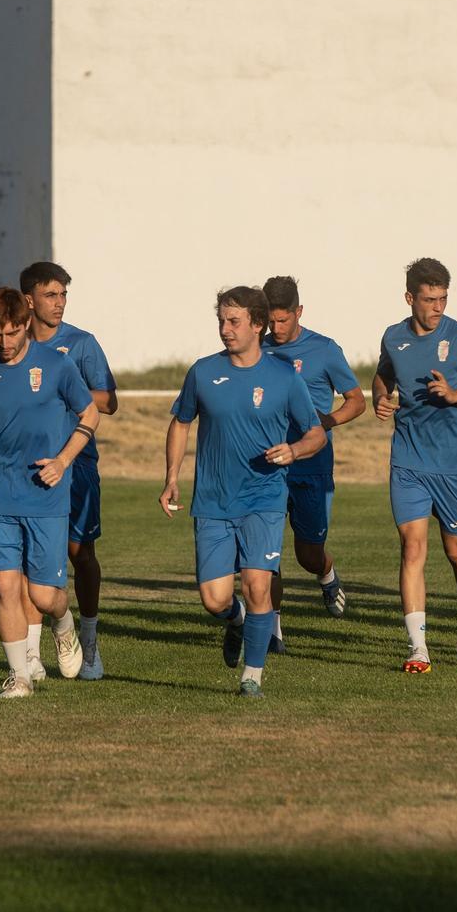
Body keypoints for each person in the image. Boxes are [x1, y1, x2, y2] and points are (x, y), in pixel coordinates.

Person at [160, 286, 324, 697]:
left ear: (257, 324)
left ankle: (252, 677)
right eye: (221, 321)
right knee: (215, 600)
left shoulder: (284, 377)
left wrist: (295, 450)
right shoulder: (202, 372)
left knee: (257, 586)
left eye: (233, 322)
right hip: (213, 501)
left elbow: (316, 434)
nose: (225, 329)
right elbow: (181, 423)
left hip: (264, 499)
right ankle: (234, 623)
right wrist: (171, 477)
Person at [0, 287, 99, 698]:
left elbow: (89, 413)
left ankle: (63, 621)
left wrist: (63, 460)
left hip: (45, 490)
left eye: (12, 333)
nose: (4, 343)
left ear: (26, 326)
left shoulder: (57, 365)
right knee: (4, 586)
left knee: (41, 593)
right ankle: (19, 676)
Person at [375, 258, 457, 673]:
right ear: (410, 298)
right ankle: (418, 648)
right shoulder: (393, 337)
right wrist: (382, 396)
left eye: (443, 299)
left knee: (456, 551)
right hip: (408, 461)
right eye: (429, 299)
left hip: (453, 466)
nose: (437, 307)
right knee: (412, 548)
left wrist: (455, 395)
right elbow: (384, 375)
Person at [20, 260, 117, 679]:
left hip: (76, 463)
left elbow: (109, 401)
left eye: (63, 295)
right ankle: (29, 654)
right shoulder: (15, 343)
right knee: (30, 561)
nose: (59, 303)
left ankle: (90, 642)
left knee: (80, 553)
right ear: (29, 300)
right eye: (50, 295)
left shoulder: (81, 343)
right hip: (28, 465)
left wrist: (64, 387)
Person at [262, 274, 364, 638]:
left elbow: (357, 401)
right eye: (271, 320)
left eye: (283, 320)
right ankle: (271, 632)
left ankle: (326, 574)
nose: (276, 328)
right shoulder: (256, 348)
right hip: (269, 467)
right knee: (266, 553)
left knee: (308, 554)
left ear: (298, 311)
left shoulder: (324, 350)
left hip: (312, 465)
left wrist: (328, 420)